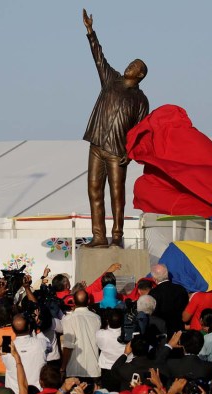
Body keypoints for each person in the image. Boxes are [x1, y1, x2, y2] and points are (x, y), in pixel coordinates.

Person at [81, 8, 149, 247]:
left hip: (117, 152)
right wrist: (91, 32)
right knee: (93, 190)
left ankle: (117, 236)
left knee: (117, 195)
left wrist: (129, 155)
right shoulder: (111, 79)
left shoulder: (141, 100)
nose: (130, 65)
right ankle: (99, 236)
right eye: (130, 62)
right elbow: (98, 56)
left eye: (134, 65)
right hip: (97, 144)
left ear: (140, 74)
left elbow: (141, 131)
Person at [61, 290, 101, 381]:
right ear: (88, 301)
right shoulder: (97, 318)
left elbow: (67, 345)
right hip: (93, 369)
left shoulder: (68, 319)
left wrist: (63, 368)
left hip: (74, 369)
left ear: (74, 302)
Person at [148, 264, 188, 336]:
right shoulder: (181, 289)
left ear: (154, 279)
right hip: (179, 331)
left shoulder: (153, 293)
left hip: (161, 333)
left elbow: (152, 314)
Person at [95, 309, 126, 390]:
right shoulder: (128, 335)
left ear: (108, 321)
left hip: (108, 370)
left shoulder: (100, 334)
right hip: (124, 369)